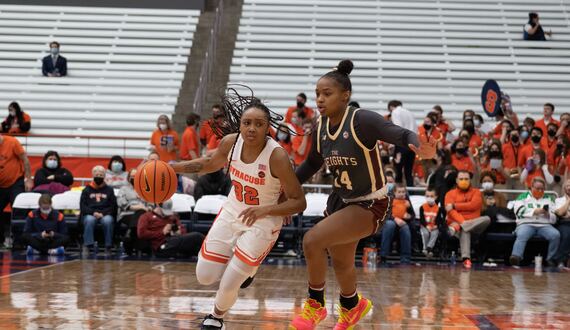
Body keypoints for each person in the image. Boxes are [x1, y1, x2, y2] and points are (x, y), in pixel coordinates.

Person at [286, 60, 435, 329]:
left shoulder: (361, 120)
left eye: (327, 93)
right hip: (340, 201)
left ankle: (315, 305)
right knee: (341, 262)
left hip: (369, 204)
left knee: (311, 241)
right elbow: (311, 164)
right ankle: (352, 306)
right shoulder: (320, 127)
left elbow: (398, 133)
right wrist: (287, 188)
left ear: (346, 96)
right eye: (317, 93)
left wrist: (418, 144)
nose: (320, 99)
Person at [170, 89, 306, 330]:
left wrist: (266, 210)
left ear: (267, 128)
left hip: (264, 221)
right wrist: (172, 168)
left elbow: (299, 202)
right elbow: (208, 163)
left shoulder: (277, 156)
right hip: (233, 211)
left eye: (258, 124)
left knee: (230, 282)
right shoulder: (230, 143)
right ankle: (243, 264)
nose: (252, 128)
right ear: (240, 125)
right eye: (247, 123)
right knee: (205, 276)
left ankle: (215, 317)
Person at [444, 170, 491, 269]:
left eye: (466, 179)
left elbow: (473, 205)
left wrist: (454, 205)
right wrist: (463, 222)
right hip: (461, 227)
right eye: (461, 179)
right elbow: (450, 212)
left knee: (487, 219)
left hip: (469, 226)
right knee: (465, 231)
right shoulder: (450, 194)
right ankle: (466, 259)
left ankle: (461, 227)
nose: (464, 181)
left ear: (470, 180)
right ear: (456, 180)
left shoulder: (476, 192)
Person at [510, 177, 559, 266]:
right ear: (531, 187)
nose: (540, 191)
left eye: (542, 189)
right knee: (522, 234)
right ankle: (516, 257)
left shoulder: (550, 198)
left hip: (544, 225)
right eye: (537, 188)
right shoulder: (523, 196)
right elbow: (518, 210)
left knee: (555, 235)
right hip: (526, 224)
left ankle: (550, 259)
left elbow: (555, 216)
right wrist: (534, 211)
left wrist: (548, 214)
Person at [137, 199, 204, 258]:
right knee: (197, 236)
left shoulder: (172, 217)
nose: (166, 214)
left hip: (175, 240)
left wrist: (179, 232)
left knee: (196, 247)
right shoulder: (146, 216)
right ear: (158, 206)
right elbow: (141, 234)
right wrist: (162, 232)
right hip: (162, 245)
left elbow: (182, 229)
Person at [0, 134, 33, 247]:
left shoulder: (12, 142)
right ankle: (1, 240)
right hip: (1, 185)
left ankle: (19, 241)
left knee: (18, 209)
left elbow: (25, 160)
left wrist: (28, 179)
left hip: (15, 182)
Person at [80, 165, 117, 256]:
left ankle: (108, 247)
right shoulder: (86, 190)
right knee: (89, 220)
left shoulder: (109, 190)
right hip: (91, 213)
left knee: (108, 221)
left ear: (104, 176)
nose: (99, 176)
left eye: (101, 175)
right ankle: (88, 246)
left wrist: (103, 213)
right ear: (93, 175)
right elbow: (83, 206)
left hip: (105, 213)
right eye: (97, 174)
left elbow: (113, 206)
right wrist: (93, 213)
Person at [116, 168, 153, 253]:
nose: (134, 178)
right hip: (127, 214)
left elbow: (151, 203)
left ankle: (130, 234)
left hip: (144, 214)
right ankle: (143, 247)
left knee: (141, 214)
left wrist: (148, 208)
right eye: (132, 176)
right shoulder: (124, 189)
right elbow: (121, 202)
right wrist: (138, 207)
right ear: (128, 178)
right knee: (140, 215)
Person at [380, 185, 414, 264]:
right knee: (390, 224)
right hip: (390, 221)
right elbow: (385, 214)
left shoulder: (407, 202)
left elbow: (412, 216)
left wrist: (409, 213)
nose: (401, 194)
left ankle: (406, 258)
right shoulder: (389, 200)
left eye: (403, 192)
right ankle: (383, 256)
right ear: (394, 192)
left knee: (405, 228)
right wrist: (395, 219)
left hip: (402, 223)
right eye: (399, 192)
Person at [387, 100, 418, 186]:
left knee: (398, 170)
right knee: (409, 171)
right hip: (412, 144)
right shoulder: (410, 113)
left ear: (391, 107)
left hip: (402, 144)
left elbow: (398, 128)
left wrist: (392, 143)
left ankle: (397, 191)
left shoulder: (395, 112)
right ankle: (411, 192)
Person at [553, 179, 570, 267]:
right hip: (564, 223)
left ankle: (560, 258)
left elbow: (565, 213)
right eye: (568, 186)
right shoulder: (559, 200)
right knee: (567, 234)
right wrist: (568, 201)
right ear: (564, 188)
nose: (569, 188)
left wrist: (566, 213)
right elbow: (560, 213)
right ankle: (559, 259)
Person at [419, 188, 440, 257]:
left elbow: (439, 219)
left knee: (435, 233)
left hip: (434, 226)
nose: (429, 198)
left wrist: (436, 226)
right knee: (425, 233)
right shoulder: (422, 207)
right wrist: (426, 226)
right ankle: (425, 249)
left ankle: (429, 248)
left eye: (431, 196)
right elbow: (421, 219)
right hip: (425, 225)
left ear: (436, 197)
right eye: (427, 196)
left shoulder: (438, 208)